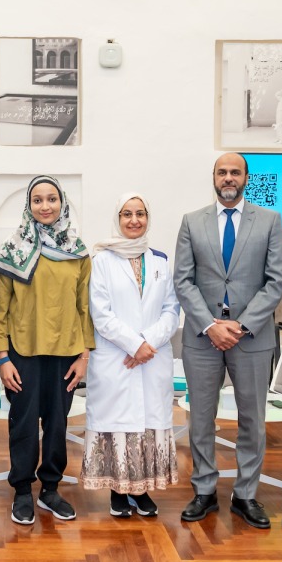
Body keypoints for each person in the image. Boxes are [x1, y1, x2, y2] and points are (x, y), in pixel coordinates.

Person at [174, 152, 282, 529]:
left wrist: (241, 325)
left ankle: (245, 495)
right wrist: (210, 325)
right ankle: (204, 491)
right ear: (213, 177)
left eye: (235, 172)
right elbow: (183, 281)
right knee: (201, 418)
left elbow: (277, 281)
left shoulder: (270, 221)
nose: (228, 178)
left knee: (252, 419)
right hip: (202, 337)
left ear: (246, 178)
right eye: (222, 172)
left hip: (252, 337)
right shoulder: (192, 222)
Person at [0, 175, 95, 526]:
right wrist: (2, 358)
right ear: (28, 205)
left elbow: (85, 307)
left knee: (57, 424)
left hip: (66, 353)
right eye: (37, 200)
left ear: (62, 203)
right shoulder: (12, 251)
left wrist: (84, 357)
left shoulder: (78, 251)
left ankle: (50, 488)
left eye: (52, 199)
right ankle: (22, 490)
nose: (45, 206)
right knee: (23, 424)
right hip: (23, 353)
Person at [81, 193, 181, 517]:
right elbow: (100, 313)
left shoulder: (160, 261)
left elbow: (171, 309)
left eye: (140, 214)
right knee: (119, 426)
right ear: (118, 219)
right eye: (127, 214)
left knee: (148, 424)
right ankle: (118, 491)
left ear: (148, 218)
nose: (134, 220)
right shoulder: (101, 260)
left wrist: (147, 342)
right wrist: (133, 345)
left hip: (152, 356)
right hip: (116, 358)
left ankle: (142, 489)